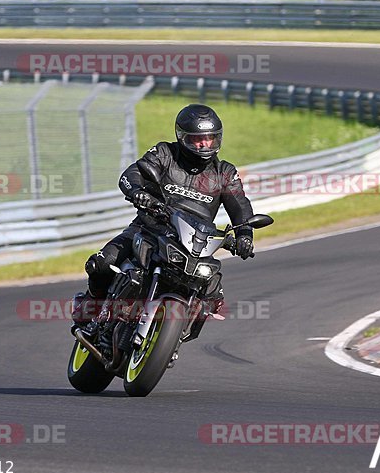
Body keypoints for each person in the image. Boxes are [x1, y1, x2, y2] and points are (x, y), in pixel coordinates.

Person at [74, 104, 256, 330]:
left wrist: (245, 234)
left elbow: (240, 204)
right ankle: (91, 304)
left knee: (212, 291)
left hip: (194, 244)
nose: (204, 144)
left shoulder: (225, 172)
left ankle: (178, 328)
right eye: (197, 138)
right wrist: (138, 193)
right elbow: (132, 174)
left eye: (210, 138)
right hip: (149, 227)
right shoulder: (164, 153)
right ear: (182, 137)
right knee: (101, 263)